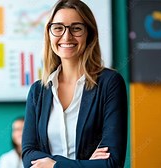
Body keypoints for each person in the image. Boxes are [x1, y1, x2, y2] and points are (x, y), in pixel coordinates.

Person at [22, 0, 128, 168]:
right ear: (49, 34)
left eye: (76, 28)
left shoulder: (110, 83)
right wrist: (85, 165)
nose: (66, 36)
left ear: (89, 33)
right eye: (58, 28)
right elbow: (28, 155)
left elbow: (111, 162)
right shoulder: (38, 91)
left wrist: (54, 165)